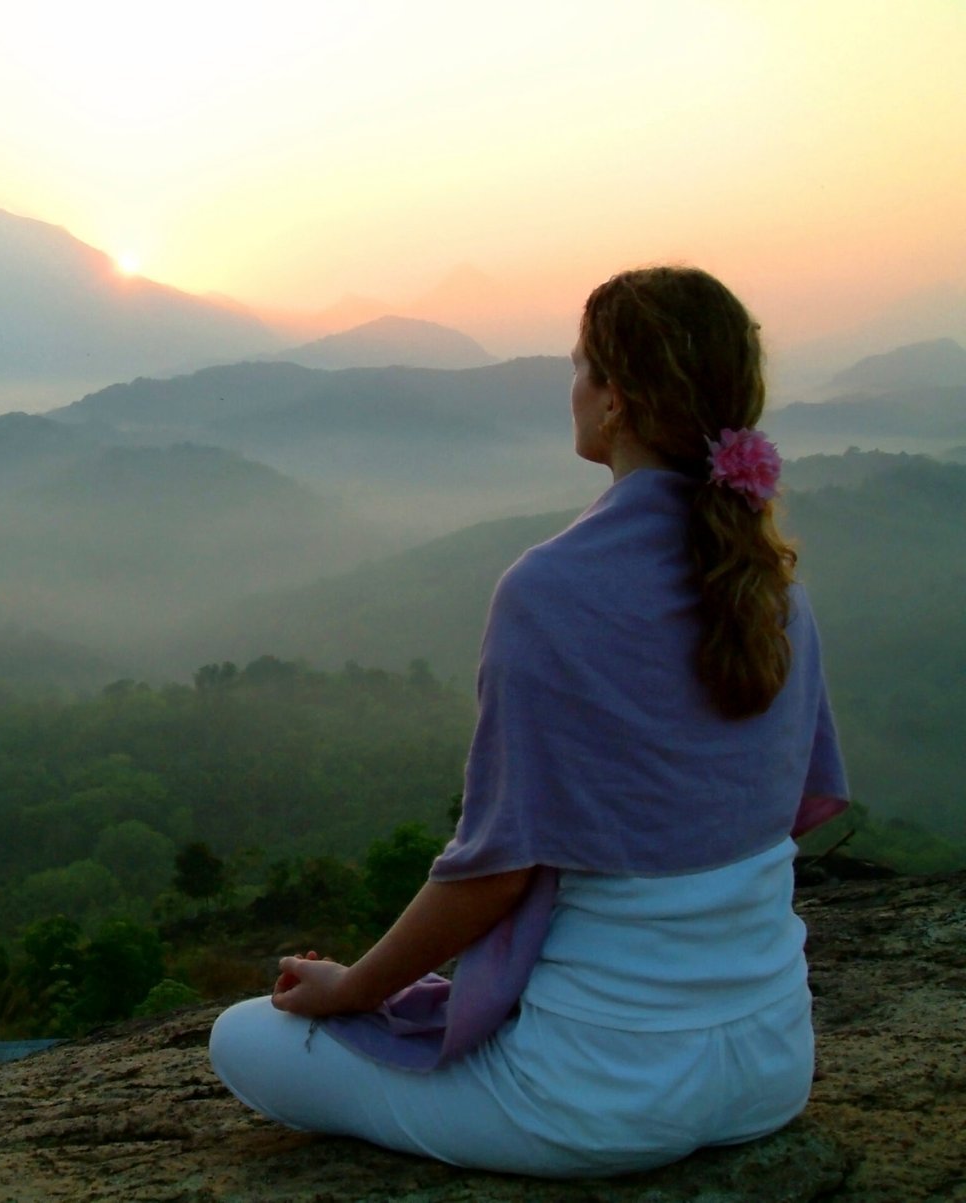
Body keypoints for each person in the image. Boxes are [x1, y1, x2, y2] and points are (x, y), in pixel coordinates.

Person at [208, 266, 849, 1178]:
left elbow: (493, 876)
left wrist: (354, 987)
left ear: (617, 402)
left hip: (597, 1096)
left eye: (582, 367)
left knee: (244, 1038)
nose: (574, 387)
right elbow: (780, 808)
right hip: (771, 1068)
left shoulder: (549, 591)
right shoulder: (774, 591)